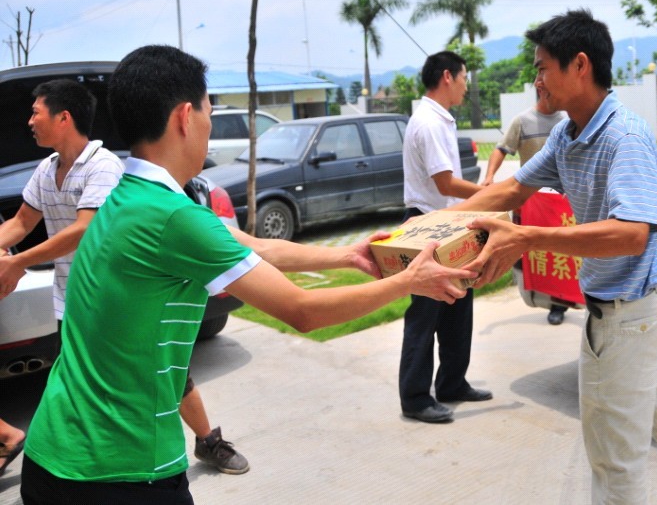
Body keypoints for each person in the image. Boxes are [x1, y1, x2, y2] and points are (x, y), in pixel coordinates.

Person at [17, 45, 471, 505]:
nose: (210, 130)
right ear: (184, 117)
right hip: (116, 473)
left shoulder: (127, 197)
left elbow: (252, 247)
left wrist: (347, 257)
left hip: (53, 454)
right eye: (209, 114)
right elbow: (302, 310)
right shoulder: (173, 217)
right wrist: (407, 281)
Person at [453, 10, 657, 505]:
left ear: (579, 65)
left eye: (543, 67)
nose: (536, 79)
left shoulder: (622, 137)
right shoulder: (569, 134)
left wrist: (527, 239)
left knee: (615, 454)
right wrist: (429, 226)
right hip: (632, 308)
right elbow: (511, 190)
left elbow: (632, 234)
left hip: (626, 315)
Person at [0, 79, 251, 476]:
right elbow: (19, 222)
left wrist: (17, 263)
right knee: (81, 379)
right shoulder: (46, 171)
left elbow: (84, 228)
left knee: (165, 375)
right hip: (75, 301)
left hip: (121, 298)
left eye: (36, 112)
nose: (29, 120)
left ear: (64, 118)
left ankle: (208, 441)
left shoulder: (103, 167)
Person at [398, 50, 491, 425]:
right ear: (448, 77)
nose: (466, 85)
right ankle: (416, 398)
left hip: (447, 223)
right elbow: (445, 182)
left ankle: (452, 382)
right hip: (428, 225)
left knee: (457, 305)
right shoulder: (430, 122)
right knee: (425, 312)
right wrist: (486, 194)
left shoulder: (437, 119)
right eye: (465, 77)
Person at [481, 88, 570, 325]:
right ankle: (542, 294)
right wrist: (489, 177)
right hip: (529, 202)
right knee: (530, 252)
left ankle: (560, 302)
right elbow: (501, 150)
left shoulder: (567, 121)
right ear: (542, 89)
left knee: (559, 252)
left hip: (559, 201)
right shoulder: (522, 121)